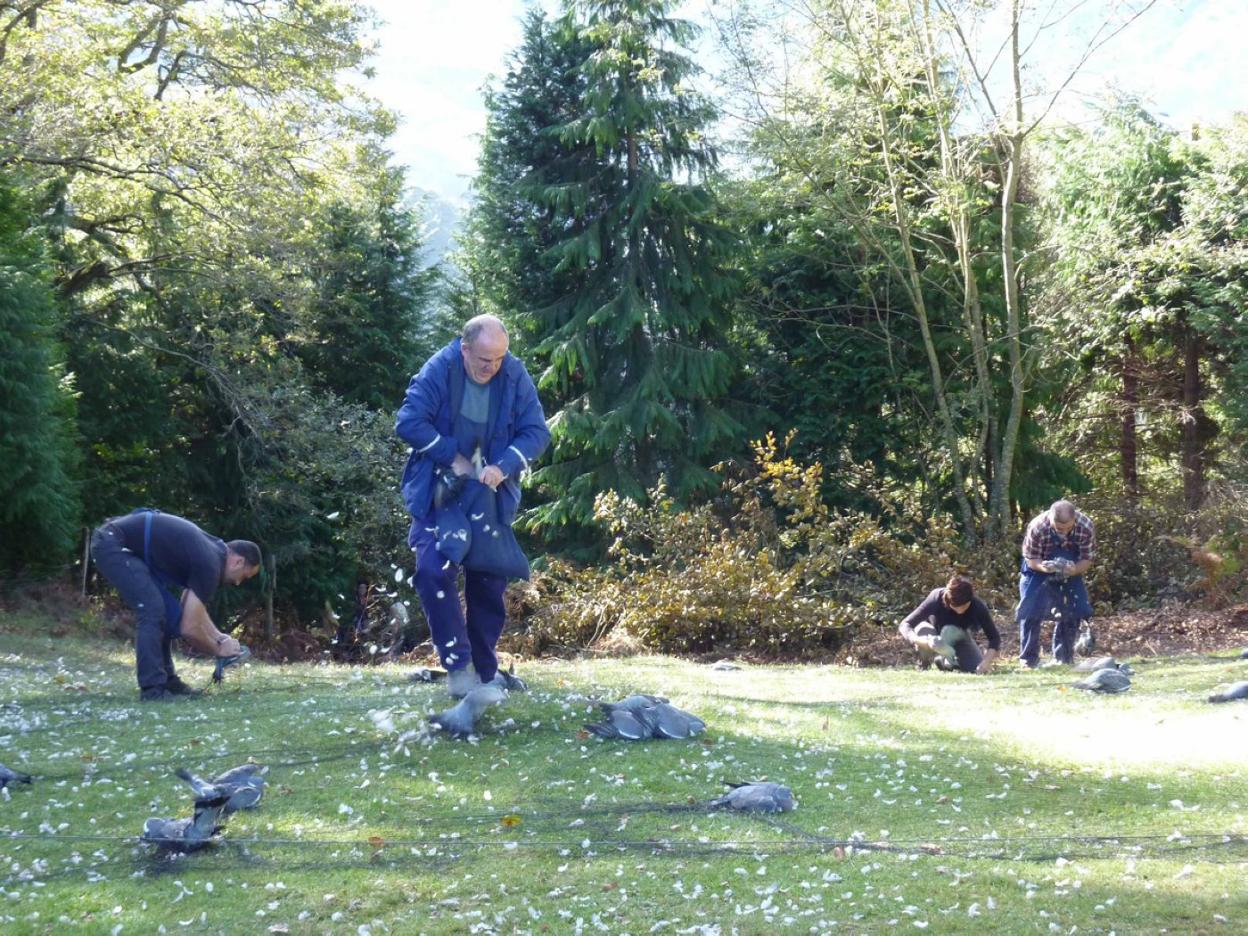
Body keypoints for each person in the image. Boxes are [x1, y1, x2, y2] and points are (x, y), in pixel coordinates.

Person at [395, 314, 550, 698]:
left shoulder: (513, 374)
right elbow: (408, 422)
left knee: (489, 583)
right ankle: (457, 667)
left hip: (491, 494)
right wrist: (454, 457)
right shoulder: (439, 369)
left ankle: (484, 672)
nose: (491, 367)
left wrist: (504, 466)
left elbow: (536, 432)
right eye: (484, 359)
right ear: (465, 349)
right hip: (438, 491)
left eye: (498, 359)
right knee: (432, 572)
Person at [90, 509, 261, 701]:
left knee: (169, 614)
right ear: (238, 562)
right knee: (153, 613)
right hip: (114, 544)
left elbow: (192, 609)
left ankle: (169, 682)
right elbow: (189, 628)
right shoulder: (210, 565)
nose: (238, 583)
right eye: (244, 577)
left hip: (121, 543)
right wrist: (218, 650)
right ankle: (152, 690)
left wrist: (219, 637)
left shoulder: (213, 553)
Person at [1016, 499, 1095, 668]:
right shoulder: (1037, 527)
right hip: (1037, 570)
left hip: (1071, 569)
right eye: (1059, 529)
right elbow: (1031, 559)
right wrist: (1045, 568)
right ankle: (1028, 661)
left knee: (1073, 610)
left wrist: (1073, 570)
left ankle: (1063, 658)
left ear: (1075, 519)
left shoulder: (1086, 526)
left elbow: (1087, 559)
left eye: (1068, 529)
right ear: (1050, 518)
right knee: (1030, 611)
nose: (1063, 533)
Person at [899, 575, 1001, 673]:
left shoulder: (977, 606)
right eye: (955, 606)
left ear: (970, 599)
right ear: (947, 599)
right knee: (921, 629)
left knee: (976, 668)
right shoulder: (936, 598)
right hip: (932, 636)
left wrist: (986, 662)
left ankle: (946, 661)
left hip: (958, 638)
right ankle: (924, 663)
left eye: (964, 605)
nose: (960, 610)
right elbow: (905, 624)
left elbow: (994, 638)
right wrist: (918, 640)